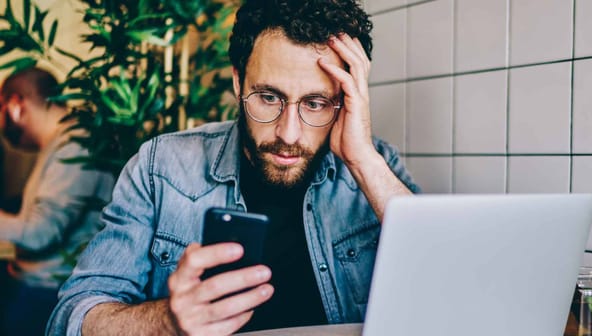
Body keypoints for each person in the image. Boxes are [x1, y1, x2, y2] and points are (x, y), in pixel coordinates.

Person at [47, 0, 420, 335]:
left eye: (316, 103)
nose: (288, 133)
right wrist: (166, 323)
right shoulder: (160, 167)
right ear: (239, 81)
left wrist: (363, 160)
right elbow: (70, 318)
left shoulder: (375, 168)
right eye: (268, 97)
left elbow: (451, 287)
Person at [0, 67, 115, 335]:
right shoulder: (62, 143)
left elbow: (43, 233)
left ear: (16, 105)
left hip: (48, 294)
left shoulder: (76, 145)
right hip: (37, 288)